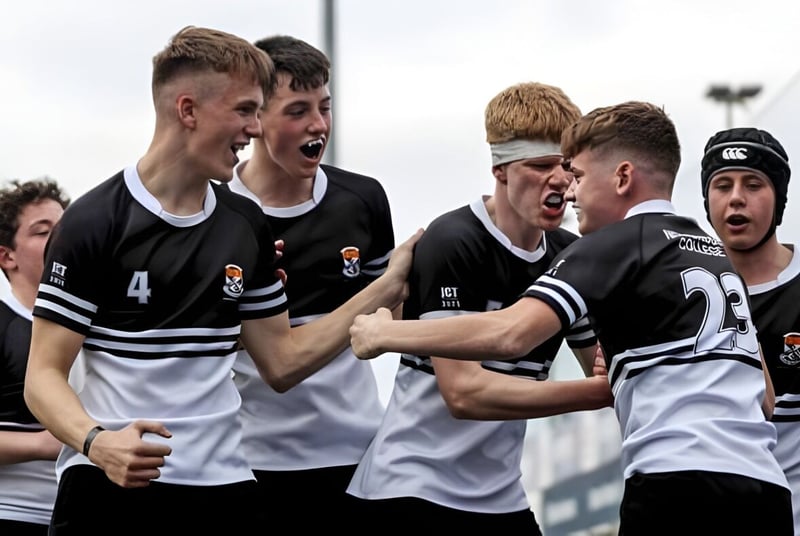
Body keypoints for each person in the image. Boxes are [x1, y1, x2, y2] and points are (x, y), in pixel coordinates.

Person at [23, 26, 417, 534]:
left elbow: (283, 361)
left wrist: (389, 285)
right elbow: (42, 377)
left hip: (227, 490)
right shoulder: (94, 222)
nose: (254, 129)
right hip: (110, 486)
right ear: (188, 111)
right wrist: (97, 441)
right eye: (245, 110)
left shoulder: (245, 224)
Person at [349, 101, 794, 535]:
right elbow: (766, 399)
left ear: (622, 177)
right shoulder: (713, 252)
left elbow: (511, 335)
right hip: (765, 489)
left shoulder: (609, 245)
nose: (570, 188)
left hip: (678, 483)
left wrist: (386, 334)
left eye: (577, 174)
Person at [345, 82, 612, 532]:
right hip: (412, 488)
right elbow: (464, 394)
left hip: (501, 496)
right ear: (501, 169)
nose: (560, 181)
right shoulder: (454, 240)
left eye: (567, 168)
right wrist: (594, 394)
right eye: (541, 166)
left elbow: (604, 367)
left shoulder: (572, 254)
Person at [226, 35, 396, 527]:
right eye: (298, 110)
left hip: (358, 455)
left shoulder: (362, 199)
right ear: (255, 118)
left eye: (324, 106)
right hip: (251, 462)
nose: (318, 125)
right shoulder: (216, 211)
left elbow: (395, 324)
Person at [701, 127, 800, 534]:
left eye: (753, 184)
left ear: (779, 199)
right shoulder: (685, 296)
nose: (736, 197)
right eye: (722, 185)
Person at [0, 179, 69, 534]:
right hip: (14, 514)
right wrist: (45, 442)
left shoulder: (98, 324)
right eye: (43, 232)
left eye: (64, 229)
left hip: (86, 514)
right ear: (6, 256)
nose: (60, 241)